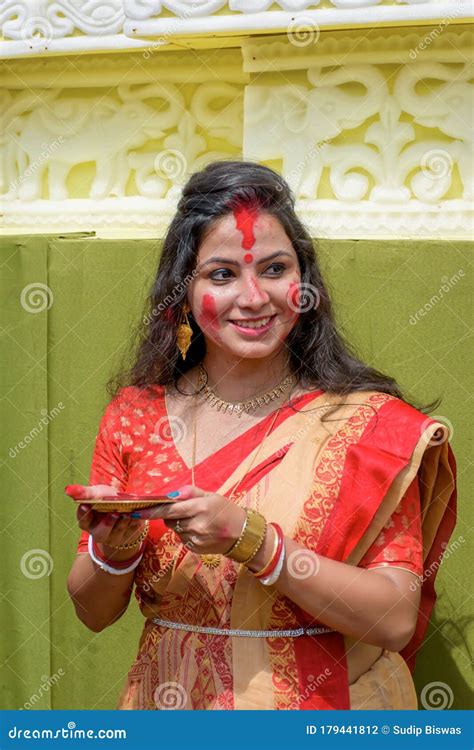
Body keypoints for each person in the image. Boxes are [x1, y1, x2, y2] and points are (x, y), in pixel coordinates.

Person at [67, 160, 457, 710]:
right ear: (182, 292)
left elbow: (395, 619)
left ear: (305, 287)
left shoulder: (368, 426)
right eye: (222, 275)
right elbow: (94, 612)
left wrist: (255, 541)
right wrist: (114, 547)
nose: (253, 298)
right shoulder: (136, 416)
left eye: (274, 270)